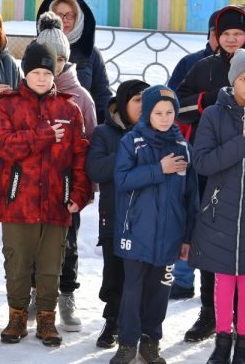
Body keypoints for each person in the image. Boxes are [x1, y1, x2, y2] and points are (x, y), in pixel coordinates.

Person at [176, 4, 245, 347]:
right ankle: (211, 314)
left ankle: (244, 322)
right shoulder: (202, 67)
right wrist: (206, 101)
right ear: (215, 35)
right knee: (212, 240)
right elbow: (174, 102)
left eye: (238, 33)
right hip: (210, 168)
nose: (231, 39)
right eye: (225, 34)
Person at [0, 40, 91, 346]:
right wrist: (43, 135)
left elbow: (80, 156)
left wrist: (80, 192)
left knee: (51, 265)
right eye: (36, 72)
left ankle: (47, 317)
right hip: (18, 201)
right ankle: (17, 316)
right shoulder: (7, 105)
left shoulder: (69, 109)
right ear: (25, 73)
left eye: (47, 72)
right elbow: (2, 145)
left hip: (56, 203)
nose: (42, 78)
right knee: (17, 263)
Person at [109, 85, 198, 364]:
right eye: (158, 112)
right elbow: (122, 180)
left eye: (170, 112)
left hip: (169, 237)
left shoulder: (183, 146)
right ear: (147, 114)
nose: (164, 117)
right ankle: (126, 343)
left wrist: (187, 237)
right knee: (132, 291)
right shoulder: (132, 142)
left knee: (160, 292)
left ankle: (151, 341)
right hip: (136, 233)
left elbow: (191, 196)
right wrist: (159, 169)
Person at [34, 10, 97, 333]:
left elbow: (90, 146)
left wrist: (84, 188)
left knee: (66, 245)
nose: (53, 64)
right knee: (33, 243)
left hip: (67, 188)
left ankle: (66, 294)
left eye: (59, 58)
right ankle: (35, 293)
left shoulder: (80, 97)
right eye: (46, 58)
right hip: (31, 187)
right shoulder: (26, 93)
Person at [85, 79, 149, 349]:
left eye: (148, 102)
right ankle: (112, 319)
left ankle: (141, 324)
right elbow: (95, 171)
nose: (143, 107)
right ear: (123, 103)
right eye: (137, 101)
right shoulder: (104, 133)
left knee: (142, 275)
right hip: (114, 216)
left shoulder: (159, 131)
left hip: (147, 218)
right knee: (114, 272)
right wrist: (128, 151)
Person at [167, 9, 219, 301]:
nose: (222, 39)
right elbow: (170, 103)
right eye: (216, 33)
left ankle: (215, 284)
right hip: (189, 148)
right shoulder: (190, 63)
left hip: (229, 156)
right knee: (188, 210)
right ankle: (183, 278)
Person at [37, 0, 112, 124]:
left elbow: (102, 96)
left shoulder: (90, 53)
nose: (64, 20)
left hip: (80, 125)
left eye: (70, 16)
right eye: (59, 15)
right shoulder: (37, 48)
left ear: (78, 18)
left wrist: (103, 131)